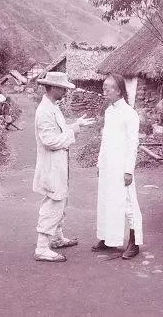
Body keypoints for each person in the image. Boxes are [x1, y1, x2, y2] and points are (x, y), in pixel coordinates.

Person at [33, 71, 95, 262]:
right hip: (51, 165)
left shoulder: (52, 107)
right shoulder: (44, 111)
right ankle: (42, 247)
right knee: (54, 201)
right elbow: (50, 141)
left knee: (61, 200)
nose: (65, 92)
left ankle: (57, 237)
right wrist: (74, 130)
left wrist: (76, 125)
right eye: (62, 88)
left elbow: (59, 131)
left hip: (58, 164)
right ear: (52, 87)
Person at [93, 73, 143, 259]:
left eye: (108, 88)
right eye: (104, 88)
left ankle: (134, 243)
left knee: (128, 204)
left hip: (122, 167)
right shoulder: (109, 112)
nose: (104, 91)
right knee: (106, 201)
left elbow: (132, 144)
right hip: (108, 166)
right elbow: (105, 141)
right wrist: (100, 163)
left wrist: (129, 170)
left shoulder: (130, 114)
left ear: (119, 91)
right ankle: (107, 238)